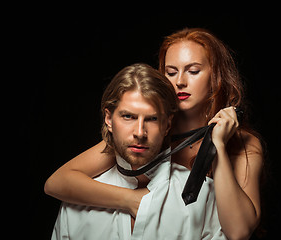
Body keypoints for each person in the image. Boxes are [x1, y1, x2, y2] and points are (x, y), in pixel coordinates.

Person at [45, 28, 264, 240]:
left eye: (193, 71)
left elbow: (239, 232)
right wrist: (129, 199)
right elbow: (58, 182)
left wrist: (219, 145)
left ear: (216, 76)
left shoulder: (243, 143)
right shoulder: (150, 131)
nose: (180, 81)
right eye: (170, 72)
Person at [50, 63, 227, 239]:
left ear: (167, 124)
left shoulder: (203, 196)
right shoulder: (76, 204)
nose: (140, 133)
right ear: (109, 119)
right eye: (128, 116)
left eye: (152, 119)